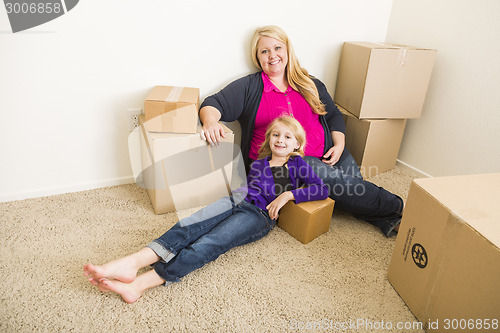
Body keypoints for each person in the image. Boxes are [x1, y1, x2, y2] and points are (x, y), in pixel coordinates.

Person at [83, 116, 328, 303]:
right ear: (269, 139)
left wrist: (288, 194)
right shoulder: (258, 163)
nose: (280, 140)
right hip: (235, 199)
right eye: (276, 135)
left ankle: (140, 284)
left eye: (287, 137)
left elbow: (321, 189)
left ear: (297, 143)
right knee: (190, 224)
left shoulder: (297, 164)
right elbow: (248, 188)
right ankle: (133, 261)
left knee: (209, 242)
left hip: (258, 215)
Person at [199, 25, 403, 238]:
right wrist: (211, 121)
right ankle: (401, 207)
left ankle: (389, 219)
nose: (272, 55)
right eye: (264, 51)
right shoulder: (250, 87)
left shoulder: (309, 82)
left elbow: (332, 114)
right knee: (344, 187)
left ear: (287, 50)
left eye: (277, 47)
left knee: (354, 188)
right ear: (257, 57)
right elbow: (213, 103)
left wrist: (339, 144)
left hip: (325, 151)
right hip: (286, 163)